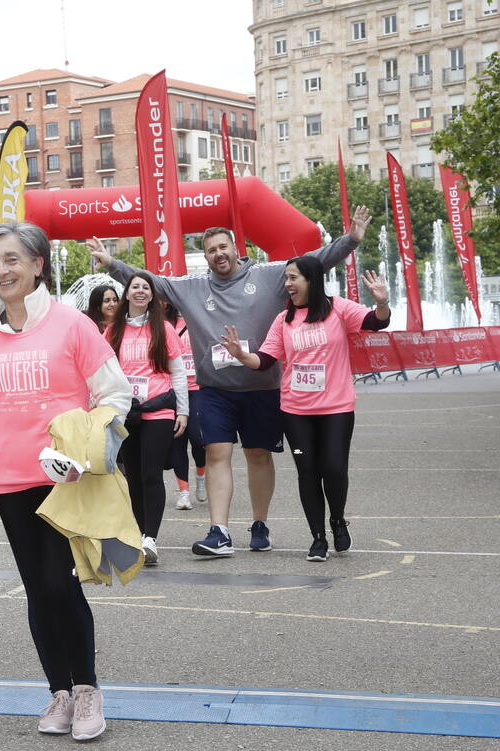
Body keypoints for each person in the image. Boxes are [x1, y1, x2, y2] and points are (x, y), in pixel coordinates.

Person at [0, 222, 132, 741]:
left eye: (13, 259)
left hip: (66, 479)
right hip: (9, 479)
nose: (2, 271)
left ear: (38, 264)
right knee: (37, 590)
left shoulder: (71, 326)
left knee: (60, 583)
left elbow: (116, 393)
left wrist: (91, 443)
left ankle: (86, 689)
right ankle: (58, 692)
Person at [87, 205, 371, 557]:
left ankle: (259, 524)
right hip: (215, 390)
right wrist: (111, 263)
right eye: (211, 250)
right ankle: (219, 531)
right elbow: (147, 282)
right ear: (204, 256)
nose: (219, 254)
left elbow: (315, 263)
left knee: (257, 455)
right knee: (218, 452)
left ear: (236, 248)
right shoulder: (191, 287)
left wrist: (351, 241)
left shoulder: (269, 276)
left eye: (224, 247)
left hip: (261, 386)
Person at [219, 264, 390, 561]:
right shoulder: (283, 320)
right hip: (296, 411)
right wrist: (241, 355)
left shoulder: (338, 309)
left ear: (311, 280)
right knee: (307, 471)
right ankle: (318, 538)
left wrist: (382, 302)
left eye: (293, 278)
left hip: (336, 408)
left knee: (334, 469)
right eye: (286, 278)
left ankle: (337, 520)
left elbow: (376, 322)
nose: (287, 283)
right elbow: (265, 359)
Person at [104, 272, 188, 565]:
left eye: (146, 288)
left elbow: (178, 373)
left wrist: (184, 411)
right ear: (126, 294)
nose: (140, 291)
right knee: (134, 477)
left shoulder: (163, 328)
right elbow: (104, 370)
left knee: (152, 474)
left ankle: (150, 538)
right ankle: (139, 535)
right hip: (127, 413)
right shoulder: (113, 330)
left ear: (152, 296)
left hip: (160, 410)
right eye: (135, 286)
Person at [164, 301, 206, 510]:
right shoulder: (165, 324)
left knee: (198, 439)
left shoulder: (199, 322)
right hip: (175, 389)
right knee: (177, 440)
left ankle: (201, 476)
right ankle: (184, 492)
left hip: (198, 388)